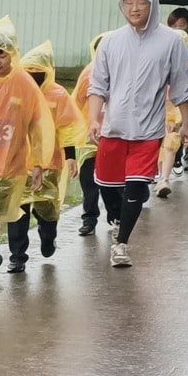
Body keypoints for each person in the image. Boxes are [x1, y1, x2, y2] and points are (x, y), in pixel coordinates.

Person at [86, 0, 188, 268]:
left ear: (153, 6)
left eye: (141, 3)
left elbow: (182, 86)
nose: (134, 9)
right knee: (107, 186)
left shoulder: (171, 42)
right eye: (129, 3)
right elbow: (98, 85)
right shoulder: (111, 41)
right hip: (113, 128)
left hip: (148, 131)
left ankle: (121, 244)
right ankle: (117, 219)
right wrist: (94, 119)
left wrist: (186, 124)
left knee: (135, 187)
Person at [0, 17, 54, 297]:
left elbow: (38, 124)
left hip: (7, 164)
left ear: (12, 53)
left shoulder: (24, 84)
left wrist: (38, 161)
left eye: (1, 54)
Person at [6, 40, 83, 272]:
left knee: (47, 207)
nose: (33, 76)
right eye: (29, 72)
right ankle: (17, 256)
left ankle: (48, 234)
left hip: (50, 161)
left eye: (38, 72)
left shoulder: (58, 95)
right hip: (19, 162)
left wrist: (70, 156)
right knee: (18, 209)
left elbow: (67, 127)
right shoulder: (16, 92)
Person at [71, 34, 109, 230]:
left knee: (113, 181)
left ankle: (116, 214)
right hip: (91, 134)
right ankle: (89, 218)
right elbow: (76, 103)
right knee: (88, 179)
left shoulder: (127, 72)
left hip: (116, 135)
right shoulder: (88, 74)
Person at [163, 9, 188, 173]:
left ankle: (180, 157)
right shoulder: (162, 42)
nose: (178, 28)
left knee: (183, 127)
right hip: (164, 97)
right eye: (174, 25)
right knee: (166, 132)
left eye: (182, 25)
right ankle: (162, 168)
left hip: (186, 94)